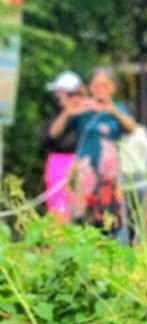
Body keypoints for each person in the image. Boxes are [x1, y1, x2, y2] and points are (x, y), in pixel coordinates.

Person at [51, 66, 137, 238]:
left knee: (111, 221)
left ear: (113, 88)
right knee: (83, 221)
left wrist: (111, 109)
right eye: (97, 86)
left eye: (105, 86)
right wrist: (68, 112)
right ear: (90, 88)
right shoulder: (83, 109)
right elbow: (54, 133)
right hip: (85, 175)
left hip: (109, 176)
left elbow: (131, 128)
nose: (100, 90)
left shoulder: (117, 109)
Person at [41, 71, 85, 222]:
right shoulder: (58, 115)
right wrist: (67, 112)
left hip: (79, 163)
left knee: (79, 209)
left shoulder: (85, 114)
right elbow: (50, 135)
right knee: (57, 209)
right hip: (57, 163)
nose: (57, 97)